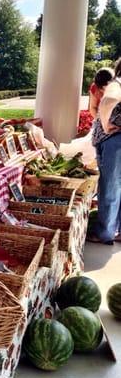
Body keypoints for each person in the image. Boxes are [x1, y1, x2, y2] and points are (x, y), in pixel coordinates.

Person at [87, 58, 121, 244]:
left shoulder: (116, 84)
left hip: (113, 141)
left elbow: (108, 101)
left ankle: (105, 233)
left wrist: (107, 125)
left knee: (110, 186)